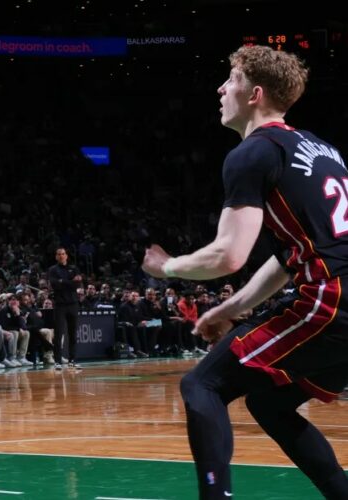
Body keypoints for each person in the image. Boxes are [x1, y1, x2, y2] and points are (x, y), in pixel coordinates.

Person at [142, 46, 348, 499]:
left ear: (255, 94)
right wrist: (227, 310)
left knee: (202, 385)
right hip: (339, 300)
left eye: (231, 79)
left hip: (330, 300)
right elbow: (288, 257)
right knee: (271, 404)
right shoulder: (323, 149)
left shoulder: (253, 152)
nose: (221, 89)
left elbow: (229, 256)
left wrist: (167, 266)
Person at [47, 247, 82, 371]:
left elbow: (77, 285)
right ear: (56, 256)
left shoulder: (74, 268)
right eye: (59, 254)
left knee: (73, 334)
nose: (61, 256)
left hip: (73, 304)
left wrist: (63, 281)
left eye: (63, 254)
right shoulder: (52, 269)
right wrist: (70, 282)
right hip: (60, 305)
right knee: (59, 334)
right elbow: (55, 285)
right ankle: (58, 361)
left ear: (66, 255)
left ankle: (72, 360)